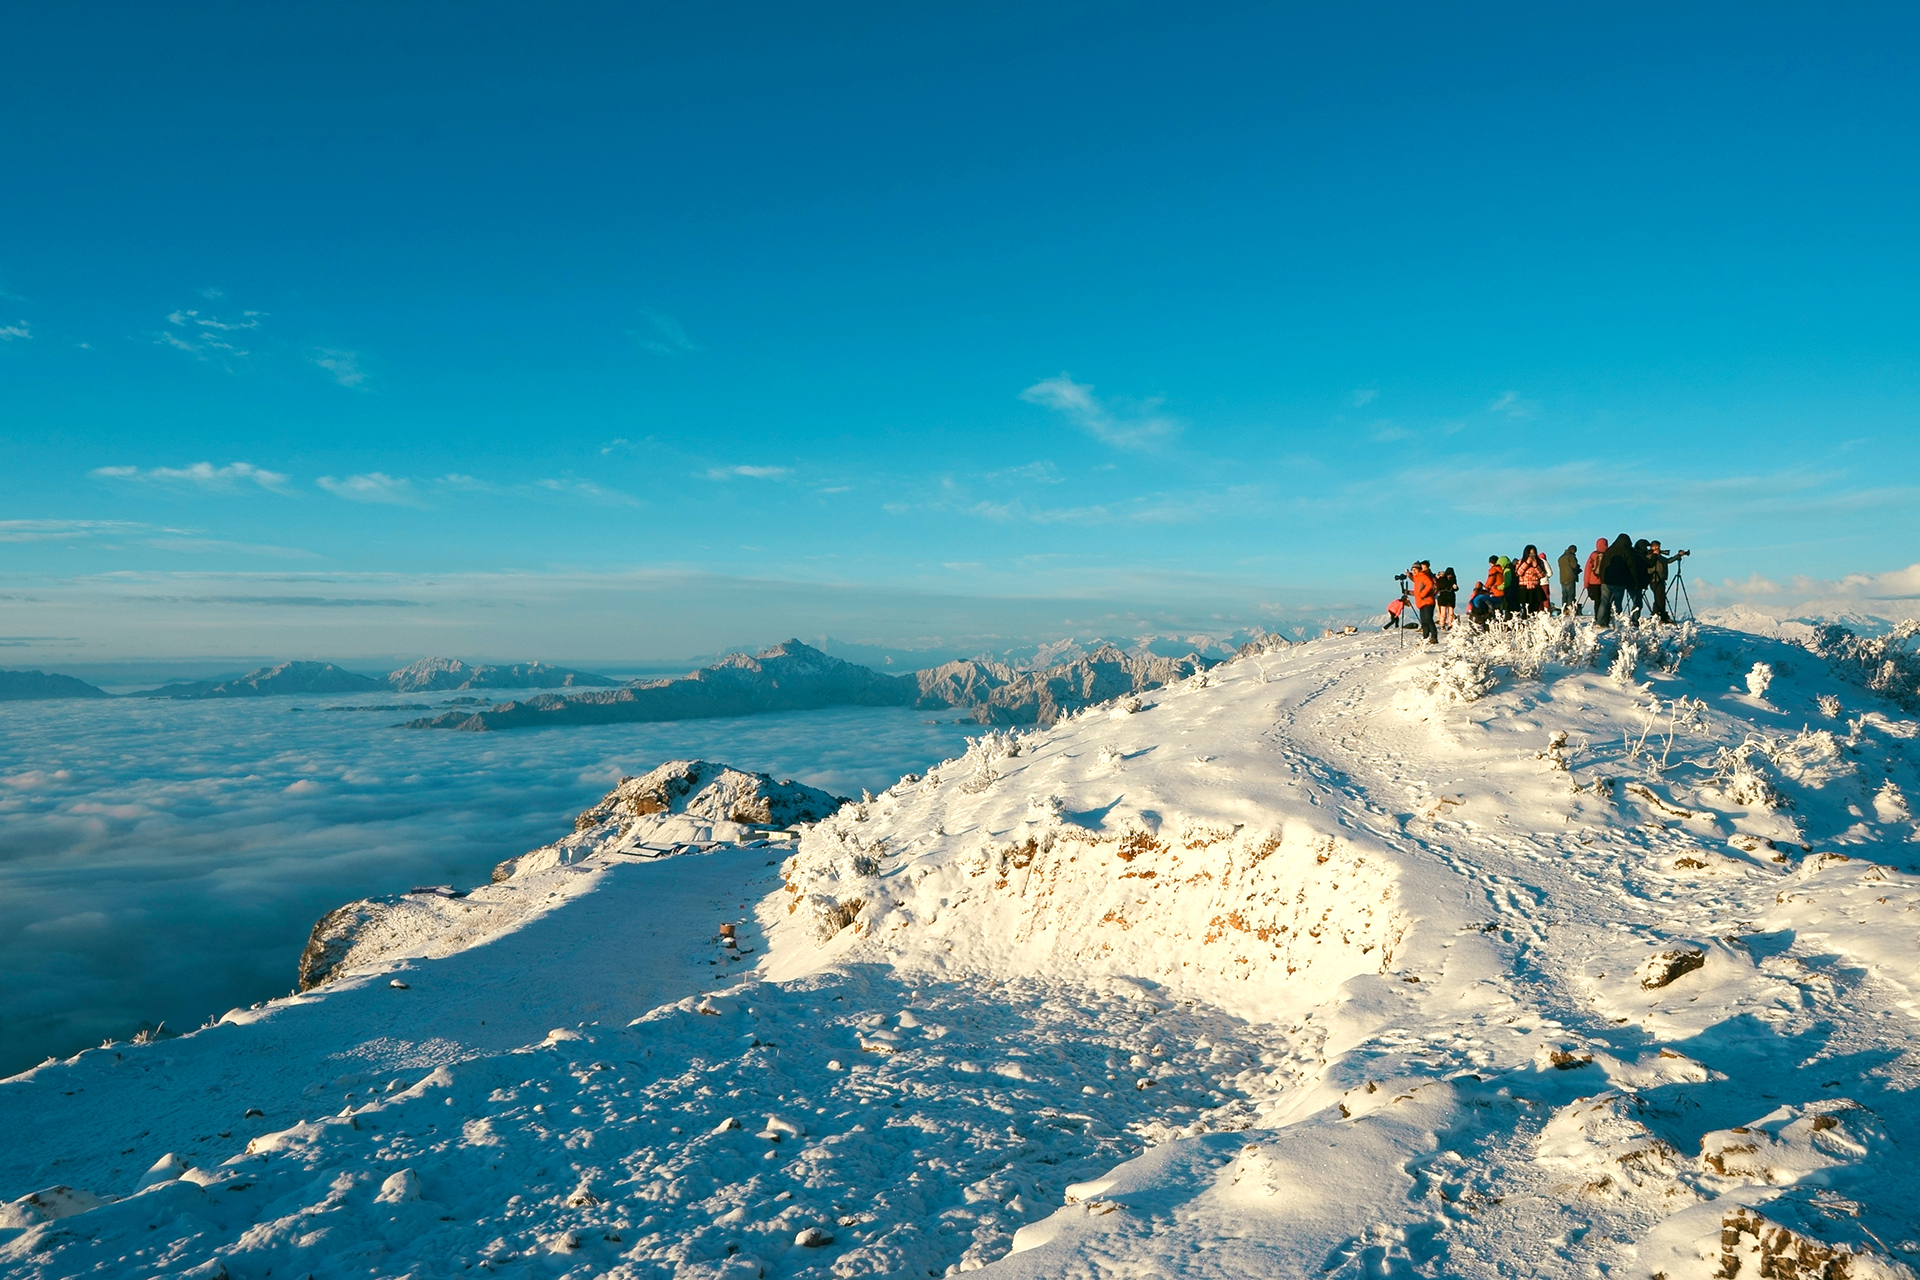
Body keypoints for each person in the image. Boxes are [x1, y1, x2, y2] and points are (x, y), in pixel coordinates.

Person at [1647, 541, 1687, 622]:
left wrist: (1677, 556)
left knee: (1660, 598)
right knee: (1660, 598)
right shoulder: (1650, 556)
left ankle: (1657, 615)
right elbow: (1666, 561)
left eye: (1659, 547)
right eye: (1657, 547)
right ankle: (1660, 616)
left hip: (1659, 580)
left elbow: (1668, 561)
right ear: (1652, 548)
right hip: (1655, 580)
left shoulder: (1658, 556)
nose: (1659, 549)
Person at [1602, 533, 1636, 624]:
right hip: (1619, 581)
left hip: (1606, 581)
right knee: (1618, 603)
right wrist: (1632, 580)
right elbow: (1631, 567)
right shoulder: (1626, 551)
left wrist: (1602, 578)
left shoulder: (1609, 550)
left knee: (1604, 602)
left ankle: (1601, 621)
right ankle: (1617, 622)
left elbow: (1603, 565)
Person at [1516, 544, 1550, 615]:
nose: (1532, 556)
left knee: (1535, 609)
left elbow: (1542, 575)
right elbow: (1519, 573)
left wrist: (1536, 566)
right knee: (1525, 609)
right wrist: (1527, 563)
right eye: (1530, 554)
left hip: (1535, 588)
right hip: (1524, 588)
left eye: (1533, 554)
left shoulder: (1539, 562)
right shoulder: (1520, 561)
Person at [1410, 560, 1438, 644]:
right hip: (1421, 602)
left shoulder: (1422, 576)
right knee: (1424, 621)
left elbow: (1430, 584)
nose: (1413, 571)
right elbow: (1417, 592)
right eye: (1412, 570)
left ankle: (1434, 637)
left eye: (1415, 569)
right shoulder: (1417, 578)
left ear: (1419, 570)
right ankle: (1425, 637)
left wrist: (1423, 594)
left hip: (1427, 601)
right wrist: (1407, 592)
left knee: (1428, 619)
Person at [1584, 537, 1610, 623]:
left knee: (1597, 601)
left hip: (1593, 581)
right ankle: (1606, 618)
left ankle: (1597, 617)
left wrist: (1586, 583)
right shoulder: (1609, 554)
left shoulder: (1593, 555)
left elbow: (1588, 569)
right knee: (1606, 600)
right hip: (1606, 580)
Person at [1629, 538, 1652, 622]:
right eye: (1646, 547)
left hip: (1633, 582)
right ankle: (1635, 620)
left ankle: (1634, 619)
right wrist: (1655, 556)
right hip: (1636, 583)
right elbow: (1649, 564)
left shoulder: (1633, 554)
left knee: (1637, 602)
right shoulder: (1639, 555)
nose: (1647, 549)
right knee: (1638, 603)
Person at [1557, 544, 1581, 615]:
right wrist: (1578, 569)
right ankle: (1570, 609)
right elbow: (1574, 566)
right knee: (1571, 594)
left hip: (1562, 578)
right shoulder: (1571, 556)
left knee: (1564, 595)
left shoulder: (1561, 558)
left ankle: (1564, 609)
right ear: (1573, 550)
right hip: (1570, 577)